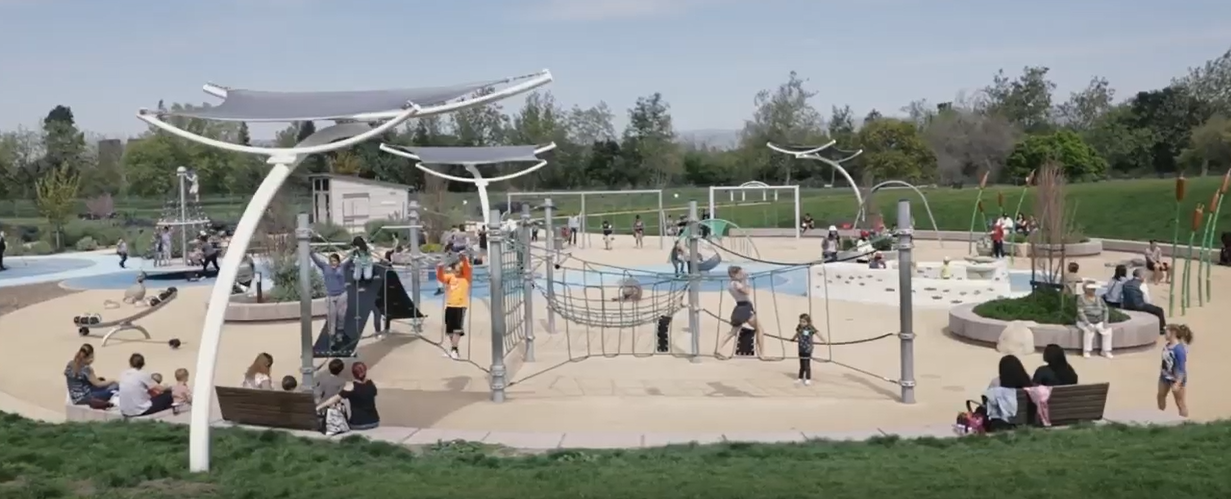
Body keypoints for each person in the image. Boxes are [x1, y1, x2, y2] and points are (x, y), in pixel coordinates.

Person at [315, 362, 380, 431]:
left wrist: (318, 407)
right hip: (374, 421)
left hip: (358, 423)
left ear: (353, 373)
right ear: (365, 371)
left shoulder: (351, 387)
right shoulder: (371, 384)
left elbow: (333, 399)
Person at [715, 266, 762, 359]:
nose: (741, 275)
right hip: (744, 308)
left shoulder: (731, 284)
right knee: (760, 329)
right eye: (739, 273)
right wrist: (746, 280)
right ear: (734, 274)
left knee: (733, 332)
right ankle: (762, 353)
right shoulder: (736, 284)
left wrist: (743, 279)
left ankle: (718, 349)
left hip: (740, 307)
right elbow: (747, 291)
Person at [311, 252, 352, 345]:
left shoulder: (342, 267)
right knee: (331, 317)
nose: (333, 263)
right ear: (329, 262)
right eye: (332, 261)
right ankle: (332, 337)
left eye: (335, 261)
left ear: (338, 261)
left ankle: (340, 334)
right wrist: (311, 251)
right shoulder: (325, 267)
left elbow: (350, 259)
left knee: (341, 316)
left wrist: (355, 251)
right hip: (330, 296)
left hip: (342, 294)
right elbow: (316, 260)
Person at [438, 255, 473, 359]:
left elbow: (467, 268)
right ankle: (454, 349)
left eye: (459, 267)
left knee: (457, 329)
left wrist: (464, 259)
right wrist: (440, 268)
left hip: (460, 306)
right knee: (450, 329)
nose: (457, 269)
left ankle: (454, 349)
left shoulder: (466, 277)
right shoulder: (450, 277)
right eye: (455, 267)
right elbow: (441, 277)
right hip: (450, 305)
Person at [117, 353, 173, 417]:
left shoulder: (123, 374)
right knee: (168, 395)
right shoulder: (142, 374)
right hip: (140, 411)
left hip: (125, 411)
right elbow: (161, 389)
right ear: (143, 364)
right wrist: (172, 388)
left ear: (130, 363)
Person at [1158, 323, 1193, 418]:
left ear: (1173, 333)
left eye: (1166, 332)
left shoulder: (1179, 350)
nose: (1164, 334)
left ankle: (1184, 421)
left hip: (1177, 378)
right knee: (1160, 396)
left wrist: (1178, 382)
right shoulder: (1167, 346)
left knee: (1180, 402)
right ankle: (1160, 417)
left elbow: (1182, 368)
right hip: (1165, 376)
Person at [1122, 268, 1166, 335]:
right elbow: (1147, 299)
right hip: (1138, 305)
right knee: (1159, 310)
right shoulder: (1142, 285)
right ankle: (1161, 329)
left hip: (1127, 305)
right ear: (1141, 276)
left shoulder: (1126, 283)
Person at [1076, 282, 1113, 359]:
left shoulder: (1099, 298)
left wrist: (1105, 320)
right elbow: (1080, 312)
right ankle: (1086, 351)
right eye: (1091, 289)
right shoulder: (1081, 298)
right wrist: (1087, 323)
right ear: (1086, 290)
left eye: (1094, 289)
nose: (1093, 291)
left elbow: (1105, 309)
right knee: (1089, 330)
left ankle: (1105, 351)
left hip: (1098, 320)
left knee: (1107, 330)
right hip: (1084, 321)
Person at [791, 314, 818, 385]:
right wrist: (793, 338)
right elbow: (797, 333)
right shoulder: (799, 327)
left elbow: (816, 333)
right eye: (800, 321)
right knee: (801, 365)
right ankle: (800, 378)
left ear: (808, 322)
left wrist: (824, 340)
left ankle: (808, 378)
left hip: (807, 348)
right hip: (801, 348)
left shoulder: (810, 328)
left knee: (806, 365)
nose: (801, 323)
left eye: (803, 322)